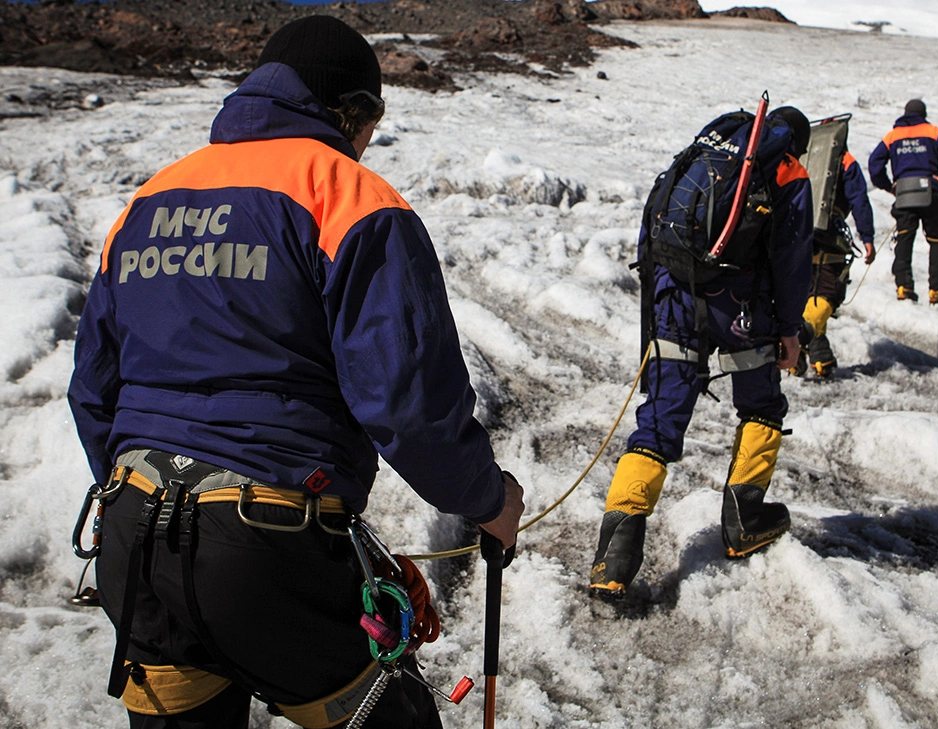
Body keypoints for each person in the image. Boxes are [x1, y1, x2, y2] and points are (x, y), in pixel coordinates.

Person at [67, 16, 524, 729]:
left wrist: (138, 491)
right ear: (351, 111)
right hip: (267, 543)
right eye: (371, 117)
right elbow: (408, 403)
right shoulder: (351, 197)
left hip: (135, 531)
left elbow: (95, 386)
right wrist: (490, 501)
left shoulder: (150, 200)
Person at [588, 106, 814, 599]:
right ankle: (745, 521)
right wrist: (790, 329)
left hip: (675, 291)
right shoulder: (788, 169)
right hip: (741, 306)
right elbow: (793, 258)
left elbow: (655, 219)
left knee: (658, 420)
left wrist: (655, 311)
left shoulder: (710, 152)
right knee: (761, 406)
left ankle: (613, 559)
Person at [868, 99, 938, 304]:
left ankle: (904, 286)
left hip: (905, 194)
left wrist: (889, 186)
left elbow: (874, 164)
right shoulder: (934, 132)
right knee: (936, 241)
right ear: (923, 114)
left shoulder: (893, 136)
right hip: (931, 192)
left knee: (905, 239)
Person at [796, 147, 876, 377]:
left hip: (794, 233)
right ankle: (797, 338)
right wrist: (867, 237)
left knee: (805, 296)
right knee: (828, 292)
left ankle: (819, 358)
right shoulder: (845, 160)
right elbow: (858, 198)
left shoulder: (800, 157)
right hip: (830, 234)